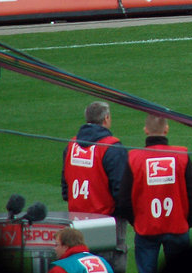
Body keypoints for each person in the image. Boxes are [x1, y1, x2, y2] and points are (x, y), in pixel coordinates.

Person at [119, 114, 192, 273]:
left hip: (146, 229)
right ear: (167, 129)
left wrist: (137, 222)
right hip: (178, 227)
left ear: (146, 130)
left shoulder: (134, 157)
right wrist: (187, 222)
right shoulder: (181, 155)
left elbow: (124, 200)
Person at [61, 102, 127, 273]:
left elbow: (65, 185)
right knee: (109, 265)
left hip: (76, 220)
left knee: (81, 266)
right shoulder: (111, 147)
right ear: (106, 118)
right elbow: (121, 190)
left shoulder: (71, 144)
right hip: (106, 220)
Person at [48, 227, 113, 273]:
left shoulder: (61, 268)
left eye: (57, 245)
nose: (55, 249)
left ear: (65, 247)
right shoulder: (102, 261)